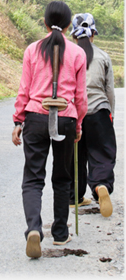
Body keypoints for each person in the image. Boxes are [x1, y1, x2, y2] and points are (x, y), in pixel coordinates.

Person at [12, 1, 88, 258]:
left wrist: (17, 121)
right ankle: (59, 233)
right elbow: (80, 97)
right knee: (63, 177)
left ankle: (34, 228)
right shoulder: (78, 53)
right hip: (65, 116)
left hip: (35, 116)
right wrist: (78, 125)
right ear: (69, 26)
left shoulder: (32, 50)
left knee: (33, 178)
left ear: (44, 22)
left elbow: (24, 90)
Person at [70, 12, 117, 217]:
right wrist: (110, 115)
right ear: (94, 34)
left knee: (75, 156)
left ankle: (75, 197)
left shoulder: (68, 56)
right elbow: (110, 91)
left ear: (73, 36)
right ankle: (100, 186)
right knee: (102, 152)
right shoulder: (103, 57)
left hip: (73, 115)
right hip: (99, 112)